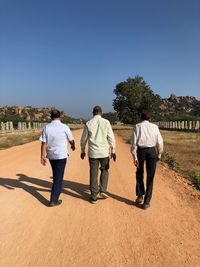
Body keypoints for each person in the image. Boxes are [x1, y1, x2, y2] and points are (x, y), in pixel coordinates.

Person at [80, 105, 116, 203]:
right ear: (101, 112)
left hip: (93, 153)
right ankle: (103, 190)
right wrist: (113, 151)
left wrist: (82, 150)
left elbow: (83, 139)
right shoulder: (106, 122)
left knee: (93, 173)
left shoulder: (89, 123)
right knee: (105, 170)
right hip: (104, 152)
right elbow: (111, 137)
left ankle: (93, 195)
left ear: (93, 113)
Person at [40, 109, 75, 207]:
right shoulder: (64, 127)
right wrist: (73, 146)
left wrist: (42, 156)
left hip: (51, 155)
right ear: (60, 117)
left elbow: (43, 143)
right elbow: (71, 139)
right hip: (61, 155)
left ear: (51, 117)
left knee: (56, 175)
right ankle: (54, 199)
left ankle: (54, 196)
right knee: (58, 178)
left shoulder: (46, 127)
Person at [131, 111, 163, 209]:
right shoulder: (154, 127)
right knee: (150, 176)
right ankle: (146, 202)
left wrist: (135, 157)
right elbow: (160, 142)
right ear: (150, 118)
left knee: (139, 173)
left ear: (141, 118)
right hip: (152, 151)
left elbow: (134, 143)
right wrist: (159, 154)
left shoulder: (137, 127)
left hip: (141, 152)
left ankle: (140, 195)